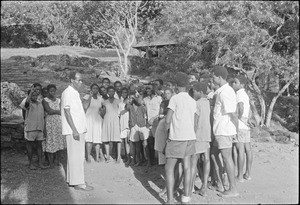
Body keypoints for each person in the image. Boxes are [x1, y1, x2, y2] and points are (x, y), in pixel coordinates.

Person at [164, 72, 196, 204]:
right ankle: (186, 196)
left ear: (176, 86)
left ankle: (170, 199)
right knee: (187, 166)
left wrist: (167, 135)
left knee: (169, 168)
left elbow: (167, 120)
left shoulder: (174, 99)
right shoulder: (192, 100)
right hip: (190, 137)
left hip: (177, 137)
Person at [61, 71, 93, 191]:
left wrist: (89, 96)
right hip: (74, 130)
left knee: (76, 156)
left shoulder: (75, 93)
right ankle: (79, 183)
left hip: (79, 128)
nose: (81, 82)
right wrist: (74, 130)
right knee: (77, 156)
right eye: (79, 80)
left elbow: (83, 108)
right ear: (72, 80)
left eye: (81, 80)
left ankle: (73, 180)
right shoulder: (68, 93)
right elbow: (67, 112)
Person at [211, 65, 239, 197]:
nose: (212, 79)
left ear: (219, 77)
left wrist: (236, 130)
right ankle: (220, 182)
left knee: (227, 158)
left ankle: (232, 188)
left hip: (224, 130)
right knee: (213, 155)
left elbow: (232, 113)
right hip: (220, 130)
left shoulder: (226, 92)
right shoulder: (221, 91)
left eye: (213, 77)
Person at [190, 82, 211, 197]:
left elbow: (195, 122)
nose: (193, 93)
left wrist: (192, 135)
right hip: (206, 134)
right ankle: (204, 188)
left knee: (193, 161)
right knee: (206, 160)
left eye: (194, 91)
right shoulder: (207, 102)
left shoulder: (196, 104)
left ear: (200, 92)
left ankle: (191, 186)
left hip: (198, 136)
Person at [231, 75, 253, 182]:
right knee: (247, 149)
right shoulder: (245, 94)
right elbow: (249, 110)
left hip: (240, 126)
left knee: (239, 150)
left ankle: (239, 176)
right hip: (245, 126)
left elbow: (240, 107)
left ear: (242, 84)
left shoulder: (239, 94)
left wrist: (238, 118)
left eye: (235, 82)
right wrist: (247, 119)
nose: (233, 84)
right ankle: (247, 173)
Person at [42, 84, 65, 168]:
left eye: (54, 91)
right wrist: (57, 111)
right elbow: (49, 111)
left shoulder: (59, 100)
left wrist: (55, 111)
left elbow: (61, 111)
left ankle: (58, 161)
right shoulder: (45, 100)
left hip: (58, 122)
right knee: (50, 140)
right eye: (51, 91)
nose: (52, 92)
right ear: (47, 91)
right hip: (50, 123)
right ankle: (50, 162)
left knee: (59, 140)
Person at [24, 87, 47, 170]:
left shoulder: (40, 104)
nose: (34, 97)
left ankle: (40, 163)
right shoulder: (29, 104)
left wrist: (44, 129)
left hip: (39, 128)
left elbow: (43, 117)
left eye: (36, 96)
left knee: (39, 146)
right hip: (31, 128)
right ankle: (31, 164)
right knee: (29, 146)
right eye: (32, 95)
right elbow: (26, 103)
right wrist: (31, 93)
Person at [82, 83, 105, 163]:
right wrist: (90, 97)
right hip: (89, 119)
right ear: (91, 89)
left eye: (96, 88)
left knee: (97, 139)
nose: (95, 90)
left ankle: (97, 157)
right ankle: (88, 157)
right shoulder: (87, 97)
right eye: (93, 88)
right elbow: (85, 107)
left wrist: (102, 112)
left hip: (97, 120)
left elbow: (104, 108)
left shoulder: (100, 99)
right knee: (89, 139)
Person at [127, 93, 150, 167]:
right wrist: (129, 101)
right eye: (131, 98)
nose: (132, 99)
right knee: (136, 145)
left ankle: (148, 161)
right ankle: (138, 160)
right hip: (134, 125)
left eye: (133, 98)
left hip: (142, 125)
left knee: (145, 143)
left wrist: (137, 99)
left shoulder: (142, 107)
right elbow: (126, 107)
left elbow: (146, 112)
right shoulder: (130, 106)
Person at [101, 86, 122, 163]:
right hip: (107, 120)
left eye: (112, 91)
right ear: (107, 92)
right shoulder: (104, 102)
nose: (111, 93)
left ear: (114, 92)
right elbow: (103, 112)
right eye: (109, 91)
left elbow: (121, 112)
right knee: (106, 139)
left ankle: (118, 157)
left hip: (116, 120)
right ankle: (108, 156)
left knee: (117, 139)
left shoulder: (119, 101)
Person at [118, 87, 131, 163]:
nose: (124, 94)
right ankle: (122, 156)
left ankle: (129, 157)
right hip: (122, 124)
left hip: (129, 123)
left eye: (125, 92)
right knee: (122, 141)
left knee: (128, 142)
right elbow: (120, 113)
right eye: (123, 93)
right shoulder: (120, 104)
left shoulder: (130, 103)